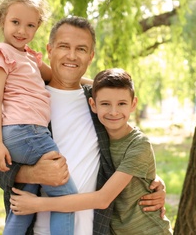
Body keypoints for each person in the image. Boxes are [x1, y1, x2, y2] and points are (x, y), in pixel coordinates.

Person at [0, 16, 167, 235]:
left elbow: (127, 148)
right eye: (63, 46)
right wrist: (32, 174)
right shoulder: (29, 98)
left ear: (91, 57)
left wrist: (152, 181)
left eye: (81, 49)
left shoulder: (99, 104)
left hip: (94, 229)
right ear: (49, 50)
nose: (71, 55)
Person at [10, 68, 173, 234]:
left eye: (122, 104)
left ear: (133, 104)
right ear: (93, 105)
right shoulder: (100, 134)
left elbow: (102, 199)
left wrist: (37, 204)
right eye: (105, 104)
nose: (114, 111)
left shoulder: (139, 145)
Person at [0, 0, 78, 235]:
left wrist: (97, 83)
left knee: (23, 205)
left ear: (38, 26)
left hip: (27, 134)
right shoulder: (0, 54)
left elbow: (58, 76)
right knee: (66, 198)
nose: (22, 31)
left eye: (31, 25)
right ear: (1, 20)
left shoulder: (30, 58)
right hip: (26, 133)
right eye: (15, 22)